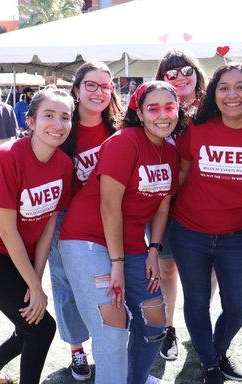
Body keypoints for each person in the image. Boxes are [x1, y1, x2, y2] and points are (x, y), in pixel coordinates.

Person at [59, 81, 183, 384]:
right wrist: (117, 264)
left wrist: (153, 249)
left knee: (155, 320)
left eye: (170, 107)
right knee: (113, 325)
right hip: (87, 240)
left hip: (131, 244)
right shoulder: (124, 142)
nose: (163, 115)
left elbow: (163, 207)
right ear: (139, 113)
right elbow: (108, 207)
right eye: (153, 108)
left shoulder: (170, 151)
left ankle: (135, 378)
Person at [0, 88, 74, 384]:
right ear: (30, 121)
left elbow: (48, 225)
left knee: (29, 325)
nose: (57, 124)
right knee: (41, 328)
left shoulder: (64, 165)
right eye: (49, 115)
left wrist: (36, 279)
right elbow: (7, 230)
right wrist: (35, 287)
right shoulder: (7, 157)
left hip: (19, 254)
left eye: (65, 117)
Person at [169, 64, 242, 384]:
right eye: (224, 87)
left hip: (235, 237)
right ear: (213, 95)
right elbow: (182, 176)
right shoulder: (197, 129)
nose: (232, 94)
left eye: (240, 87)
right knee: (198, 301)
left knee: (239, 306)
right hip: (189, 233)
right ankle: (210, 364)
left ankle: (217, 350)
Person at [49, 61, 123, 381]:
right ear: (77, 89)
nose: (99, 92)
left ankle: (110, 347)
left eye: (106, 86)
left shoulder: (118, 127)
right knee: (66, 284)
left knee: (106, 286)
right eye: (91, 85)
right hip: (63, 216)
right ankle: (77, 349)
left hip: (108, 216)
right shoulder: (64, 126)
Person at [153, 48, 208, 361]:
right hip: (166, 206)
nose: (179, 77)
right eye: (170, 73)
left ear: (197, 71)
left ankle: (201, 328)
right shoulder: (158, 110)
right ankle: (168, 328)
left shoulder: (214, 108)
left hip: (207, 205)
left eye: (185, 69)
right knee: (166, 267)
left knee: (207, 272)